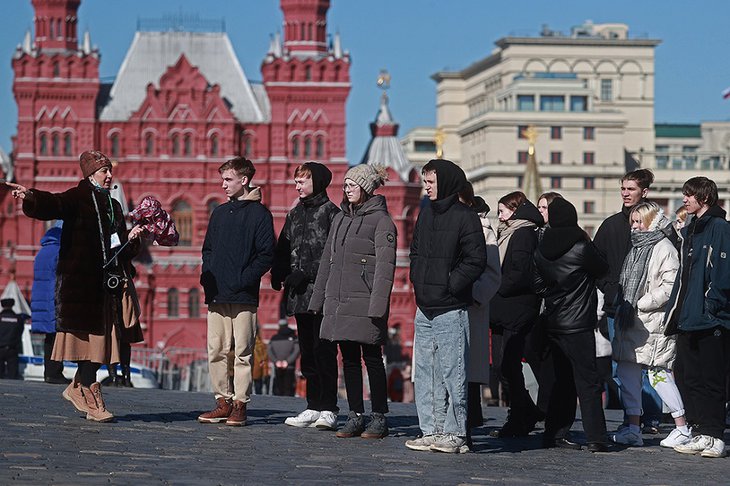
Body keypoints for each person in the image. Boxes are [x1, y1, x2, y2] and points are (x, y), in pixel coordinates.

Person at [7, 150, 144, 421]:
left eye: (109, 170)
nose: (109, 175)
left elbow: (117, 247)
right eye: (104, 171)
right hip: (81, 286)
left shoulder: (114, 207)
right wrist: (30, 196)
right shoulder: (77, 197)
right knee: (88, 347)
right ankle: (91, 398)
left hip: (106, 288)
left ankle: (77, 388)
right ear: (90, 174)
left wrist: (131, 238)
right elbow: (54, 204)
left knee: (101, 348)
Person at [309, 164, 397, 440]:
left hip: (366, 302)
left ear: (366, 188)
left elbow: (386, 268)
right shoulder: (340, 219)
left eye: (352, 185)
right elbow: (328, 261)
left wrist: (378, 306)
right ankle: (356, 414)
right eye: (345, 185)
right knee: (348, 360)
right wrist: (318, 299)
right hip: (340, 301)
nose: (346, 190)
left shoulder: (382, 222)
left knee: (372, 359)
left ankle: (379, 416)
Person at [406, 159, 487, 454]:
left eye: (430, 182)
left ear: (447, 183)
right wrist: (418, 280)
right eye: (425, 182)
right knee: (426, 372)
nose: (426, 187)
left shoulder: (466, 217)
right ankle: (432, 430)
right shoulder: (425, 214)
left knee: (454, 372)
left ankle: (455, 433)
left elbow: (476, 260)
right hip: (424, 306)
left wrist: (451, 285)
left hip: (451, 306)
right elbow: (416, 251)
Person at [198, 157, 275, 426]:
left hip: (243, 295)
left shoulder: (260, 215)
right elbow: (207, 249)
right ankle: (223, 401)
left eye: (228, 180)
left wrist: (245, 279)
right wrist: (207, 276)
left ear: (244, 180)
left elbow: (267, 255)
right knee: (216, 350)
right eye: (222, 180)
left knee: (243, 352)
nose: (223, 185)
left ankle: (240, 404)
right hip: (217, 293)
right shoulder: (219, 213)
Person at [610, 201, 689, 448]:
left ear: (651, 221)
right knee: (627, 373)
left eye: (638, 221)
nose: (634, 226)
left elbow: (670, 285)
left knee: (659, 375)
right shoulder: (636, 247)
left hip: (652, 322)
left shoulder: (664, 247)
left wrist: (643, 302)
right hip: (630, 321)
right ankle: (633, 426)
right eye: (632, 221)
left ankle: (682, 426)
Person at [533, 197, 610, 452]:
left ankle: (554, 434)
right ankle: (596, 437)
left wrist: (554, 295)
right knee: (587, 382)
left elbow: (537, 283)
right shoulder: (580, 245)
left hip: (554, 321)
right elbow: (602, 268)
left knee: (560, 381)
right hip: (578, 322)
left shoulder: (541, 248)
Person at [593, 168, 663, 432]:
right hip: (616, 306)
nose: (625, 193)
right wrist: (610, 290)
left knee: (648, 364)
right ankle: (630, 418)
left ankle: (651, 418)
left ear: (644, 192)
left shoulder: (658, 226)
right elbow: (596, 263)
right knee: (620, 367)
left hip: (649, 307)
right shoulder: (610, 226)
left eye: (630, 189)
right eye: (623, 189)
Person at [271, 162, 340, 429]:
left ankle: (329, 408)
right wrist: (278, 272)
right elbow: (283, 247)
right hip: (300, 296)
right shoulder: (294, 214)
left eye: (302, 181)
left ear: (318, 182)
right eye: (296, 181)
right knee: (308, 353)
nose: (297, 186)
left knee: (324, 351)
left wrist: (306, 273)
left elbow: (333, 256)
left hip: (321, 295)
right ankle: (312, 406)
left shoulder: (331, 213)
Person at [665, 177, 730, 459]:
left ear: (703, 197)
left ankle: (716, 436)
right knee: (690, 378)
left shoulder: (720, 227)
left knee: (712, 379)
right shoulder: (691, 229)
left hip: (711, 318)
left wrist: (712, 304)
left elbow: (723, 272)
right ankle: (701, 430)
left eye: (688, 195)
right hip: (688, 316)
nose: (684, 200)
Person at [490, 191, 543, 438]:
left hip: (515, 307)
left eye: (502, 211)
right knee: (503, 367)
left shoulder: (523, 233)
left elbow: (519, 272)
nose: (499, 217)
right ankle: (525, 412)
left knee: (508, 366)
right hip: (503, 309)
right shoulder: (510, 232)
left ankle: (521, 415)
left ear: (516, 210)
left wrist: (494, 286)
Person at [459, 183, 501, 449]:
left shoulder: (483, 228)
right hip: (443, 305)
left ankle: (469, 424)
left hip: (469, 304)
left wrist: (475, 294)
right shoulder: (440, 221)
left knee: (468, 368)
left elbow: (492, 272)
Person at [30, 222, 70, 384]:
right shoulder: (59, 251)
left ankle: (50, 372)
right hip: (53, 298)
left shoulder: (42, 252)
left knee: (50, 336)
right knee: (56, 336)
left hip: (42, 299)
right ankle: (54, 373)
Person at [268, 321, 300, 396]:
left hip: (277, 366)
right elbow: (296, 350)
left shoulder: (274, 338)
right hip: (290, 366)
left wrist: (276, 361)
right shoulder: (294, 337)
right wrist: (287, 362)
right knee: (289, 388)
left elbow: (269, 351)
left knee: (279, 387)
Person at [0, 298, 24, 379]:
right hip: (12, 349)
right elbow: (20, 331)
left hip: (0, 348)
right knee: (13, 376)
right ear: (12, 305)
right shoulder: (18, 319)